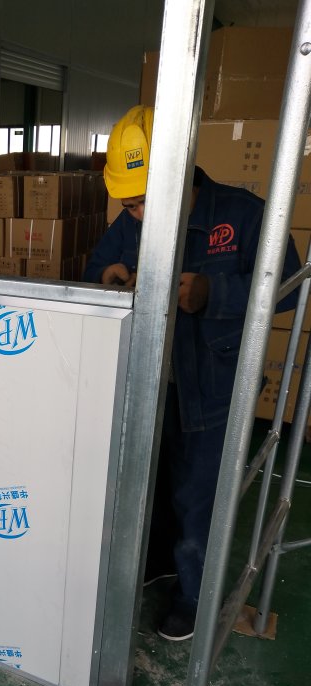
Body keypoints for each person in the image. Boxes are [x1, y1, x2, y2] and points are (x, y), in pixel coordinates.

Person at [84, 105, 300, 641]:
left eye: (144, 202)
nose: (137, 214)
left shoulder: (244, 216)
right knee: (152, 483)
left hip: (214, 386)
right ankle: (161, 564)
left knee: (198, 495)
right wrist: (107, 274)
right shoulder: (129, 223)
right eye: (129, 204)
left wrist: (214, 293)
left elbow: (289, 286)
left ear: (180, 174)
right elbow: (96, 267)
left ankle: (194, 598)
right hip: (151, 383)